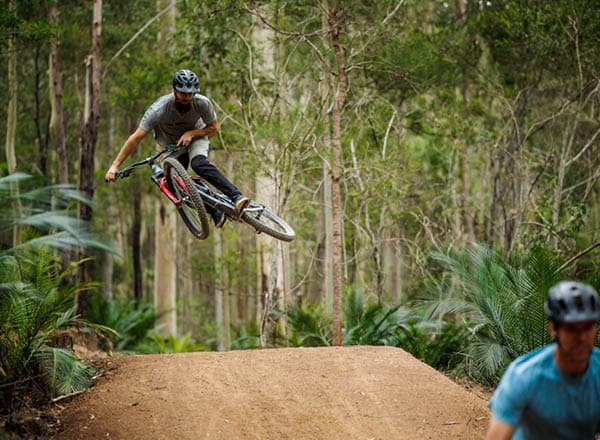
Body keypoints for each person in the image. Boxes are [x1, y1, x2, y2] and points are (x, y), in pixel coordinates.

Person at [104, 69, 250, 228]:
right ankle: (214, 211)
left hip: (196, 138)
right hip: (172, 147)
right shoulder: (158, 110)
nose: (187, 98)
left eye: (190, 94)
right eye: (183, 93)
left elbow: (214, 128)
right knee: (170, 184)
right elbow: (135, 138)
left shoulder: (202, 103)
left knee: (199, 164)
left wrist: (192, 133)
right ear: (174, 91)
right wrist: (115, 166)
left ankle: (236, 196)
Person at [486, 281, 600, 440]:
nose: (581, 337)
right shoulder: (523, 376)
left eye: (588, 327)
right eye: (571, 328)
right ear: (553, 329)